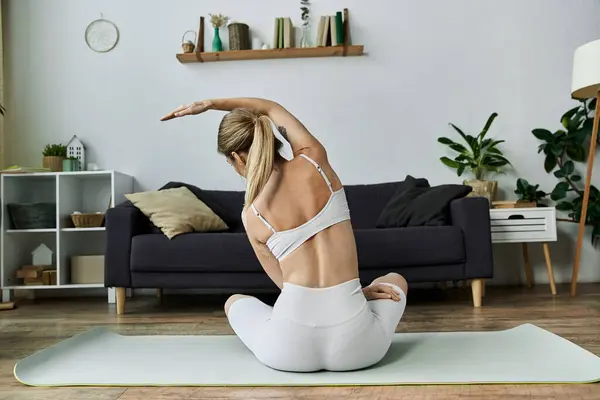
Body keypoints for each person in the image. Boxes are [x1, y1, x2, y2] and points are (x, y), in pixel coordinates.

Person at [161, 98, 407, 372]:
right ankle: (355, 302)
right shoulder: (316, 161)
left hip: (288, 353)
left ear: (237, 157)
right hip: (360, 350)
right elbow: (269, 107)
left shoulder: (252, 215)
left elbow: (285, 285)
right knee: (395, 281)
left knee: (234, 302)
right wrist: (210, 104)